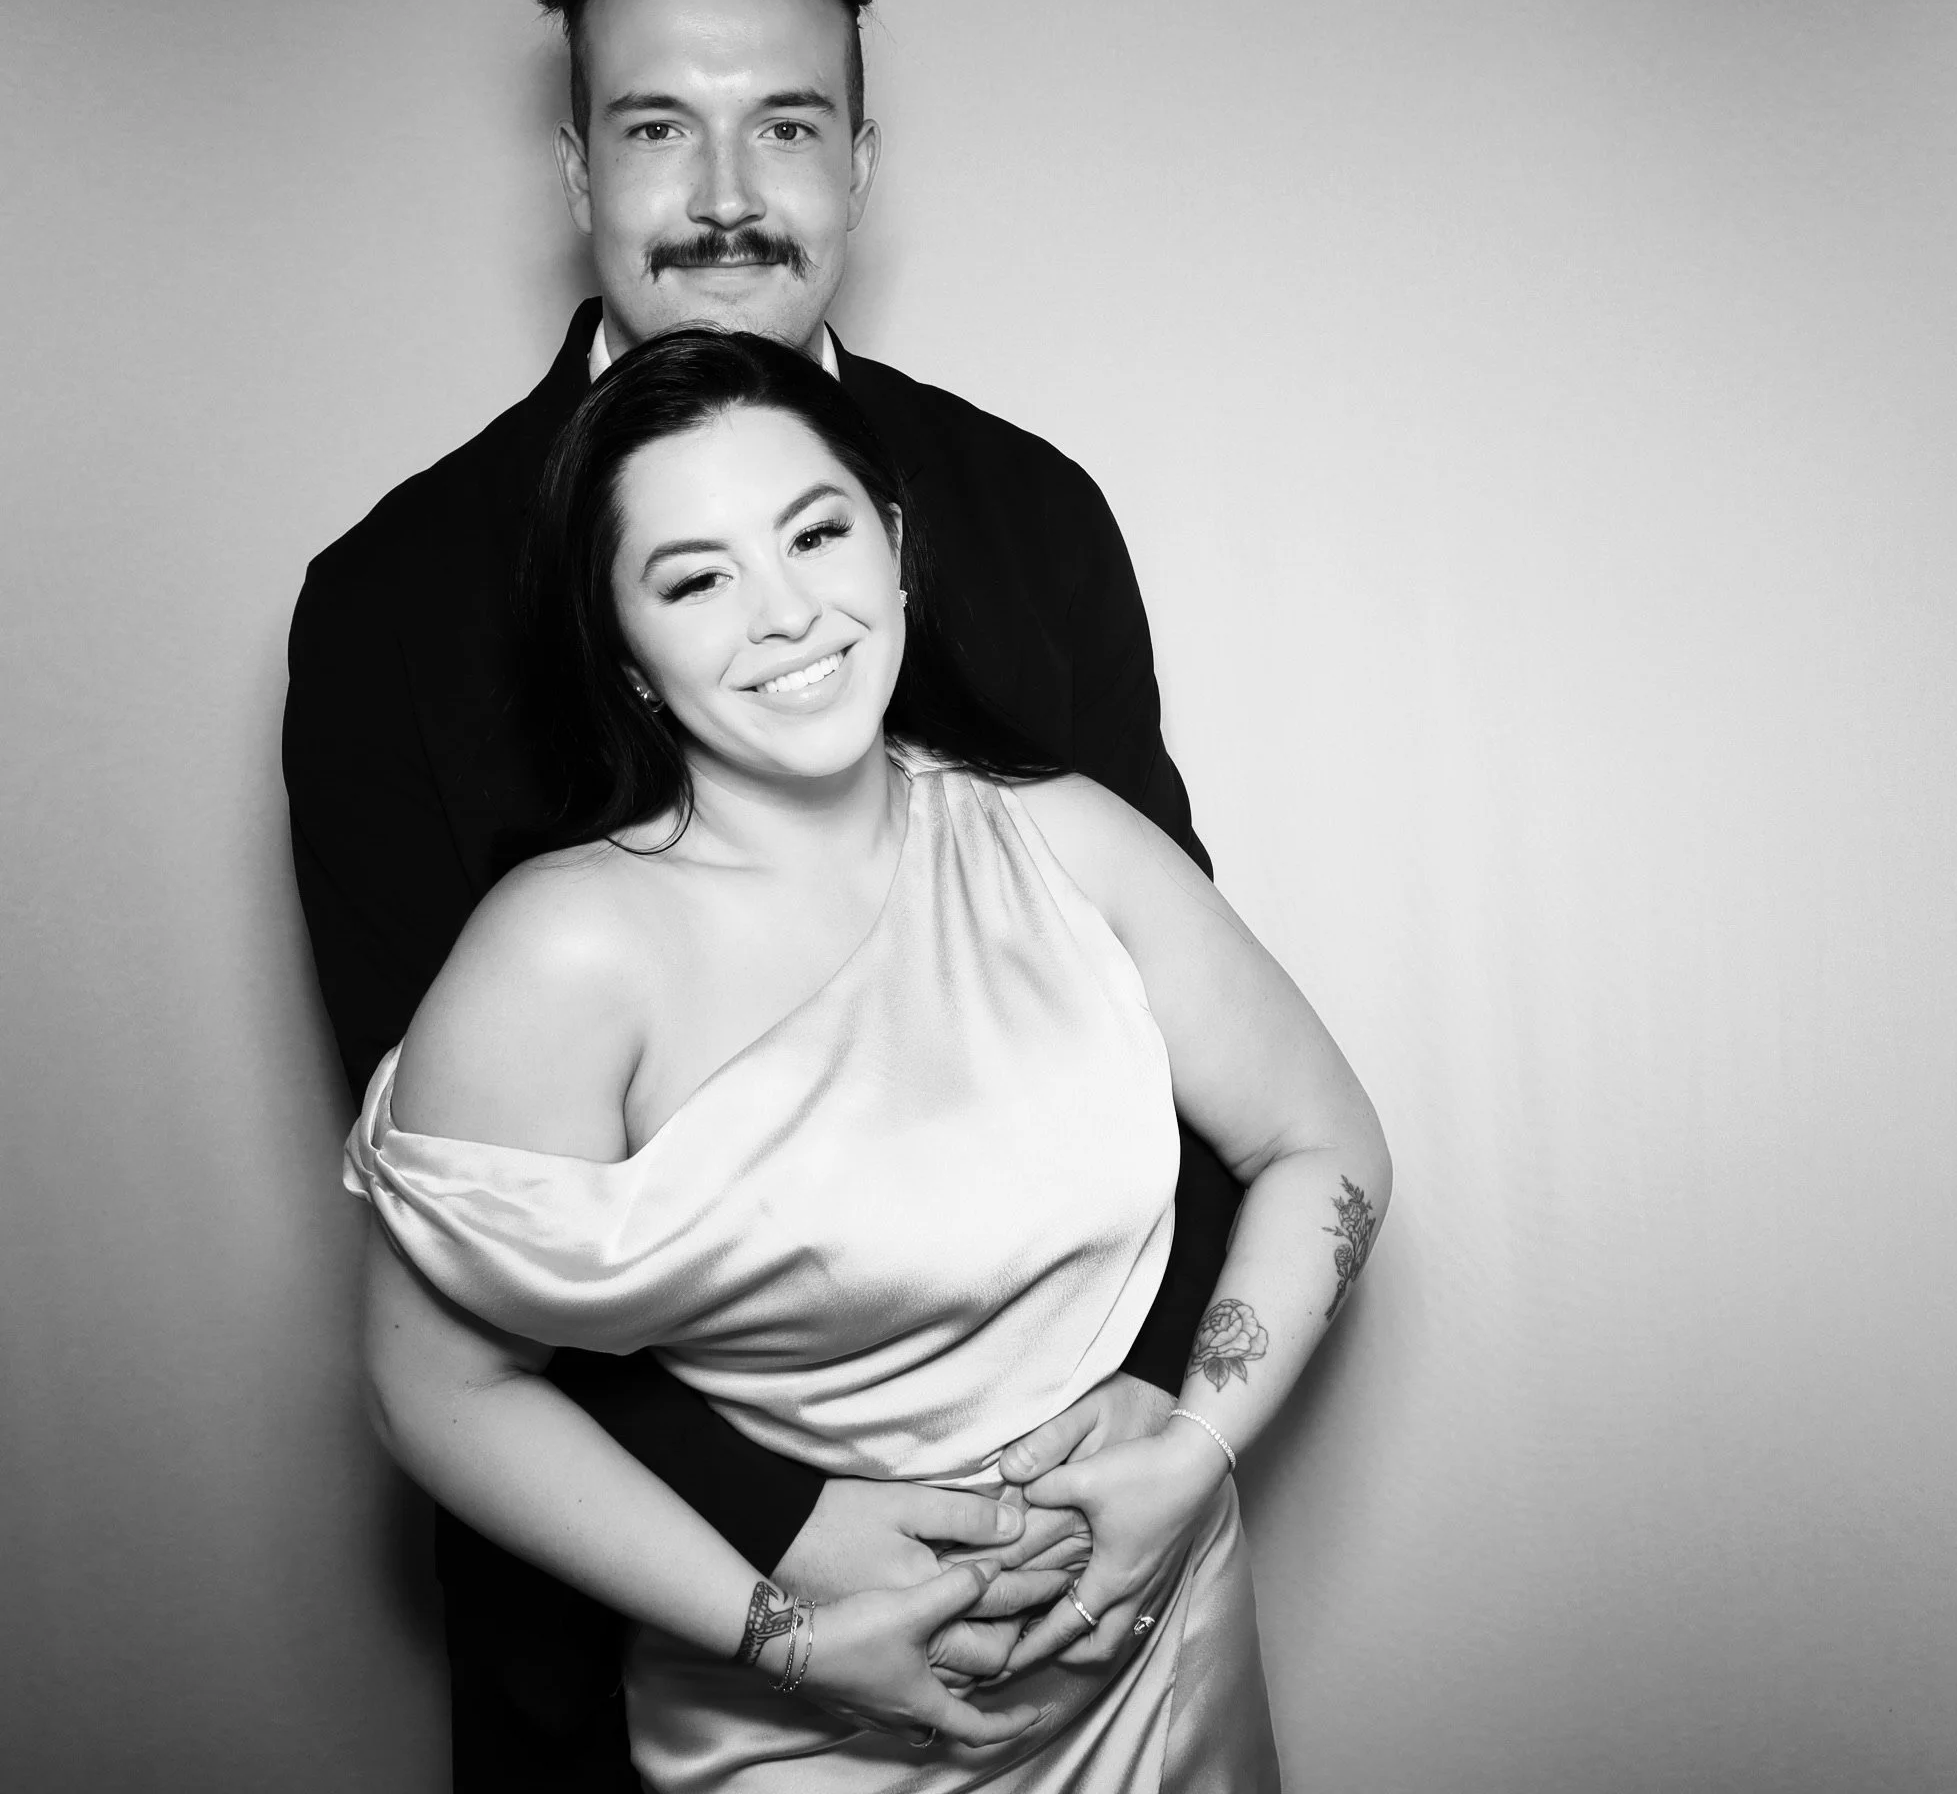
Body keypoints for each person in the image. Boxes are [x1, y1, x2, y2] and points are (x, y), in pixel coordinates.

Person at [284, 0, 1245, 1787]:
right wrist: (793, 1536)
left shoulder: (1029, 512)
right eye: (659, 126)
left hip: (1085, 1582)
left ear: (858, 164)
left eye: (785, 125)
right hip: (640, 1626)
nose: (726, 195)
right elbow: (456, 1233)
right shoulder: (389, 599)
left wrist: (1135, 1428)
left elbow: (1183, 1043)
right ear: (577, 170)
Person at [347, 327, 1392, 1790]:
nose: (787, 614)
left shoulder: (1066, 836)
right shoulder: (561, 952)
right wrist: (788, 1637)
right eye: (697, 579)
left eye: (815, 535)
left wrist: (1192, 1452)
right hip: (813, 1717)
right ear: (624, 653)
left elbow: (1326, 1142)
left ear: (894, 549)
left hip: (1160, 1652)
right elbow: (438, 1390)